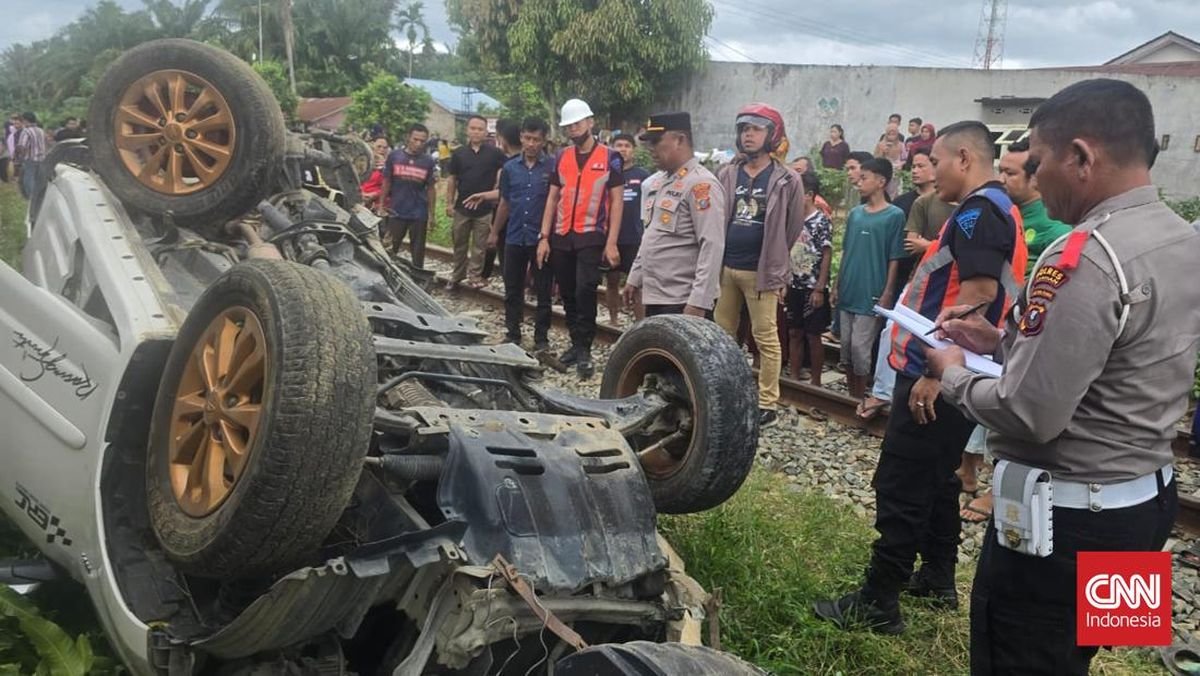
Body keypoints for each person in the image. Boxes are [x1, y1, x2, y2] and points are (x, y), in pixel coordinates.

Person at [923, 79, 1199, 675]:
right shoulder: (1182, 239)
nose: (1033, 180)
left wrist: (951, 374)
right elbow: (1116, 357)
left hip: (1064, 526)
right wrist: (1005, 342)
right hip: (1145, 504)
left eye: (1039, 162)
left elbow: (1031, 414)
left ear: (1081, 156)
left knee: (1023, 659)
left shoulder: (1085, 255)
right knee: (1078, 653)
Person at [815, 121, 1028, 635]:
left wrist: (941, 369)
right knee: (936, 481)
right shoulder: (999, 210)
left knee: (901, 484)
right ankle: (936, 577)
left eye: (934, 159)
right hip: (948, 369)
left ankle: (878, 601)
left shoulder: (979, 213)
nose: (928, 170)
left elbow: (976, 297)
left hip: (939, 372)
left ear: (962, 157)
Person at [955, 135, 1074, 523]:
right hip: (1008, 330)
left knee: (1009, 414)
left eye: (1011, 172)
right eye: (1000, 169)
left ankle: (997, 489)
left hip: (1027, 331)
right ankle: (975, 474)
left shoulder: (1059, 229)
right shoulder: (1009, 213)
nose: (1002, 179)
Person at [714, 103, 804, 428]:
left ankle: (767, 401)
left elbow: (793, 226)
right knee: (721, 336)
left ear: (772, 134)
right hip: (726, 268)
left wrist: (778, 264)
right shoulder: (727, 172)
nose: (748, 135)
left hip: (761, 272)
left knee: (765, 338)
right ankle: (721, 392)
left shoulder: (787, 179)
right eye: (743, 129)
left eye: (755, 129)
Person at [858, 148, 956, 421]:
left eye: (925, 164)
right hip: (920, 278)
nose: (916, 170)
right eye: (914, 165)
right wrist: (944, 248)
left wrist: (932, 246)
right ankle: (882, 391)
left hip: (953, 286)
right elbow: (913, 244)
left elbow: (928, 246)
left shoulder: (971, 206)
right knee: (893, 331)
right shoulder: (922, 203)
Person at [537, 98, 624, 379]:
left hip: (591, 234)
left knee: (586, 289)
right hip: (562, 234)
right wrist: (544, 236)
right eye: (568, 125)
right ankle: (576, 343)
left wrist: (611, 242)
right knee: (568, 292)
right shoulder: (561, 157)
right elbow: (552, 198)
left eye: (577, 123)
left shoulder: (610, 157)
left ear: (590, 122)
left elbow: (617, 201)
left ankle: (584, 347)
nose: (573, 129)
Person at [624, 112, 726, 318]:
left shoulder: (701, 185)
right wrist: (635, 276)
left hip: (683, 299)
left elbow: (712, 245)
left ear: (680, 140)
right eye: (648, 143)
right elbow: (651, 234)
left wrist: (699, 301)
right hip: (658, 296)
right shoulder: (658, 182)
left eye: (656, 141)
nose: (651, 148)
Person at [829, 158, 906, 401]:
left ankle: (860, 395)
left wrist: (887, 292)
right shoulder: (854, 214)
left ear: (881, 181)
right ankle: (851, 396)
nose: (858, 183)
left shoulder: (895, 216)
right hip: (849, 287)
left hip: (872, 290)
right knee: (846, 349)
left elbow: (895, 257)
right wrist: (836, 284)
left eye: (865, 178)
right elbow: (846, 251)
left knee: (860, 348)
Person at [489, 117, 554, 351]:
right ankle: (513, 333)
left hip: (541, 240)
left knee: (543, 291)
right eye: (527, 138)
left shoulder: (552, 167)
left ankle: (541, 338)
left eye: (536, 139)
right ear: (521, 138)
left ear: (544, 140)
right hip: (515, 236)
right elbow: (505, 202)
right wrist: (495, 232)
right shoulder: (509, 168)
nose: (531, 144)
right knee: (512, 288)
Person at [445, 115, 507, 289]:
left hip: (484, 208)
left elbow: (505, 170)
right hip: (462, 207)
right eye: (473, 128)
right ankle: (457, 275)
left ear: (486, 132)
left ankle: (474, 275)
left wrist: (496, 186)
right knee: (459, 243)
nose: (476, 132)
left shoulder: (495, 153)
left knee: (480, 246)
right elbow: (452, 179)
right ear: (467, 130)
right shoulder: (459, 153)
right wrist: (449, 203)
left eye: (480, 129)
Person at [786, 171, 833, 385]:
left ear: (809, 194)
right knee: (794, 331)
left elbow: (826, 254)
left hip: (812, 285)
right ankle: (794, 376)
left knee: (813, 335)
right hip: (793, 284)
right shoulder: (792, 219)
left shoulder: (821, 221)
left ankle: (816, 381)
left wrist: (819, 288)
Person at [605, 133, 650, 324]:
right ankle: (613, 319)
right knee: (612, 282)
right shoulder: (607, 175)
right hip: (612, 238)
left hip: (635, 238)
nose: (622, 149)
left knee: (638, 284)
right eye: (618, 145)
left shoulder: (643, 176)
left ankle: (640, 323)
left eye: (627, 145)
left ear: (634, 150)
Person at [379, 125, 437, 268]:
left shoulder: (428, 161)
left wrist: (432, 215)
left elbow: (431, 189)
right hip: (396, 211)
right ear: (408, 138)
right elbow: (386, 182)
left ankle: (417, 278)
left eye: (422, 141)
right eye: (415, 139)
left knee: (418, 252)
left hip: (419, 213)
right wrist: (381, 206)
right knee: (391, 248)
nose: (418, 144)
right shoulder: (395, 156)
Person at [14, 112, 46, 199]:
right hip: (41, 158)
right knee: (38, 179)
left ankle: (32, 198)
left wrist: (20, 158)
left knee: (28, 179)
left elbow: (22, 146)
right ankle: (40, 197)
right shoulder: (41, 130)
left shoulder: (26, 131)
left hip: (30, 159)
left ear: (25, 120)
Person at [875, 123, 907, 198]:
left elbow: (905, 159)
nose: (892, 134)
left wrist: (900, 164)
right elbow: (875, 159)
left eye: (894, 132)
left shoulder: (901, 145)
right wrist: (882, 152)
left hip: (896, 173)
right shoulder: (880, 145)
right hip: (883, 171)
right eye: (890, 132)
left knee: (894, 192)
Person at [360, 136, 390, 213]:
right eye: (379, 146)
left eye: (385, 148)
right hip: (361, 201)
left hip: (378, 205)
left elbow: (390, 186)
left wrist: (374, 194)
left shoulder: (389, 166)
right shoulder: (364, 163)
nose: (382, 150)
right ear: (372, 146)